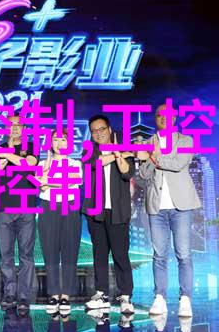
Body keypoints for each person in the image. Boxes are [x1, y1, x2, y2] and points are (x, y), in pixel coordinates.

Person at [137, 104, 201, 318]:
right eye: (159, 115)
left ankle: (185, 299)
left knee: (184, 254)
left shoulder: (186, 140)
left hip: (180, 206)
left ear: (174, 118)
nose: (164, 118)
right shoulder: (148, 143)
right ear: (155, 119)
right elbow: (143, 175)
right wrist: (148, 159)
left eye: (168, 115)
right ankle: (160, 297)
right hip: (156, 207)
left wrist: (154, 157)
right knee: (159, 255)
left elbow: (178, 164)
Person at [83, 115, 135, 314]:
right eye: (94, 131)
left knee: (120, 254)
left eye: (102, 129)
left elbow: (127, 172)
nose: (98, 133)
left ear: (109, 129)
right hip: (96, 210)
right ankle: (101, 293)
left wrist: (120, 155)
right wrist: (116, 154)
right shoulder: (89, 148)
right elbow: (94, 164)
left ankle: (125, 295)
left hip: (118, 211)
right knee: (99, 254)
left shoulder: (123, 146)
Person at [0, 115, 38, 315]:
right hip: (2, 207)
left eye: (19, 125)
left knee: (26, 255)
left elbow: (29, 165)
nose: (15, 128)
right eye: (11, 125)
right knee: (6, 254)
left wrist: (7, 154)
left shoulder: (32, 146)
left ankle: (24, 296)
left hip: (26, 208)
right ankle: (9, 294)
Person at [37, 129, 83, 314]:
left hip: (69, 205)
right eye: (55, 140)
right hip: (48, 206)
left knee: (70, 250)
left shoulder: (75, 163)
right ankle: (53, 293)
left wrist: (49, 180)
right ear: (50, 143)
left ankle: (66, 295)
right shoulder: (42, 163)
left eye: (63, 139)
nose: (59, 143)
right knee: (50, 251)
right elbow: (41, 184)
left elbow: (73, 180)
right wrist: (49, 174)